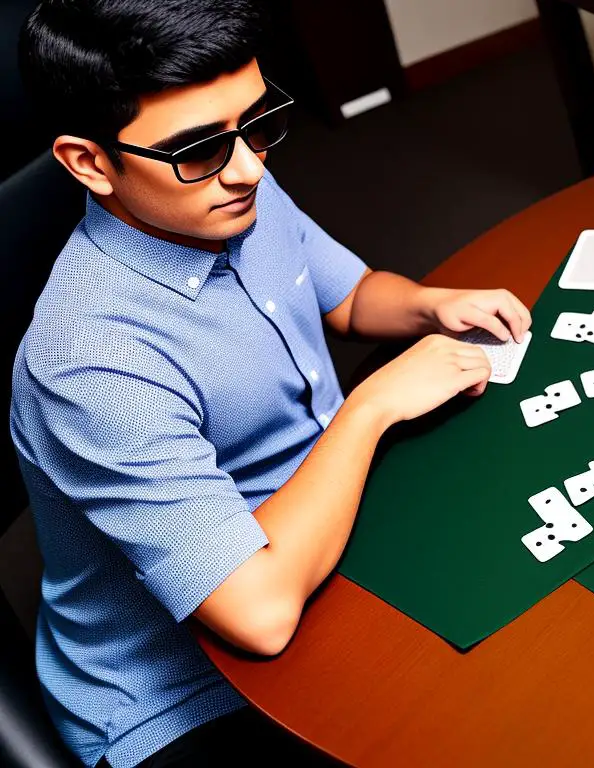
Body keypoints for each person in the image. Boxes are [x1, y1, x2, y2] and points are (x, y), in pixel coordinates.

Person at [11, 1, 531, 766]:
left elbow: (347, 296)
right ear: (89, 163)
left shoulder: (225, 189)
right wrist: (373, 406)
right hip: (184, 693)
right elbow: (259, 616)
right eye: (196, 148)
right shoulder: (87, 361)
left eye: (256, 124)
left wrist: (427, 304)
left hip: (329, 544)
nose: (250, 167)